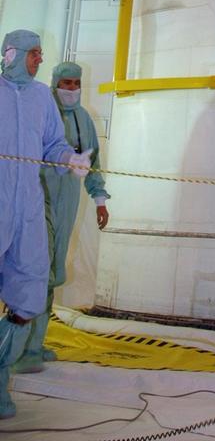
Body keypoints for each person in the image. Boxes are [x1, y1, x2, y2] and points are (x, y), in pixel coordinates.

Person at [0, 31, 90, 418]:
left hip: (28, 209)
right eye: (34, 54)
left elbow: (52, 142)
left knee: (30, 293)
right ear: (12, 54)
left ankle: (1, 376)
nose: (39, 60)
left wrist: (69, 158)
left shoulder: (40, 97)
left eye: (40, 54)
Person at [16, 61, 110, 373]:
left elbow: (92, 161)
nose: (70, 89)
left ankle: (34, 344)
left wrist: (99, 199)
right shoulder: (42, 112)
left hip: (66, 206)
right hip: (36, 201)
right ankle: (19, 347)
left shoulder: (84, 119)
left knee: (53, 272)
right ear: (54, 83)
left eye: (75, 83)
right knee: (34, 270)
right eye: (65, 83)